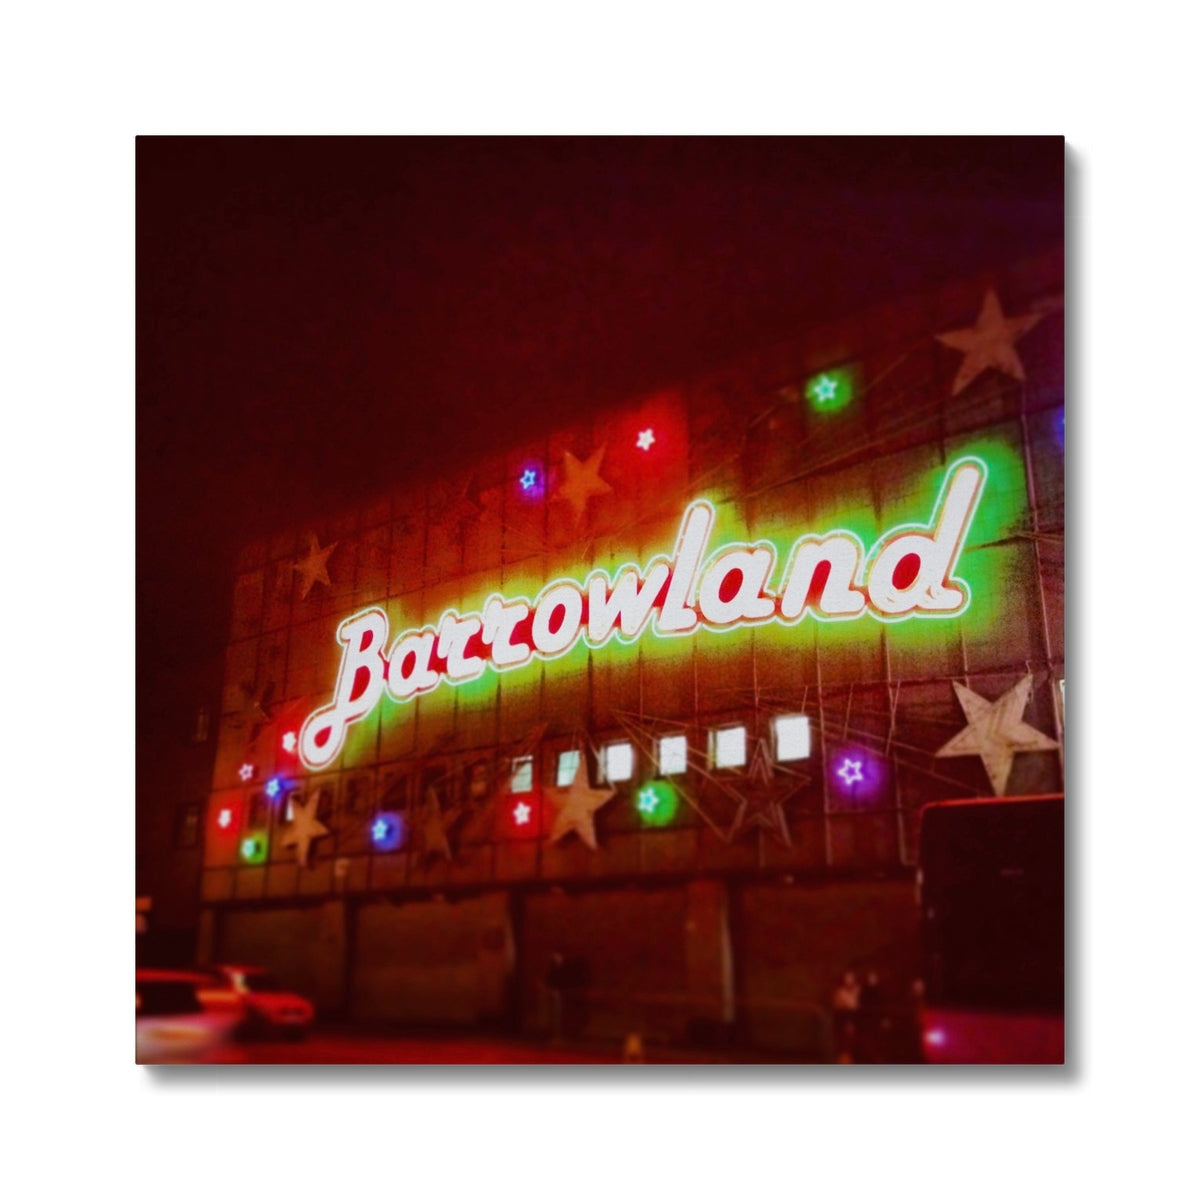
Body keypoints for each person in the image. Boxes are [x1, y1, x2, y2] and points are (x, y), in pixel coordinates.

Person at [832, 970, 860, 1063]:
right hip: (844, 1018)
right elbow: (838, 1005)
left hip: (854, 1018)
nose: (849, 980)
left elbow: (856, 1004)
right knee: (844, 1044)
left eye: (851, 978)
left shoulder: (857, 990)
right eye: (847, 978)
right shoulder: (841, 992)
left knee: (851, 1043)